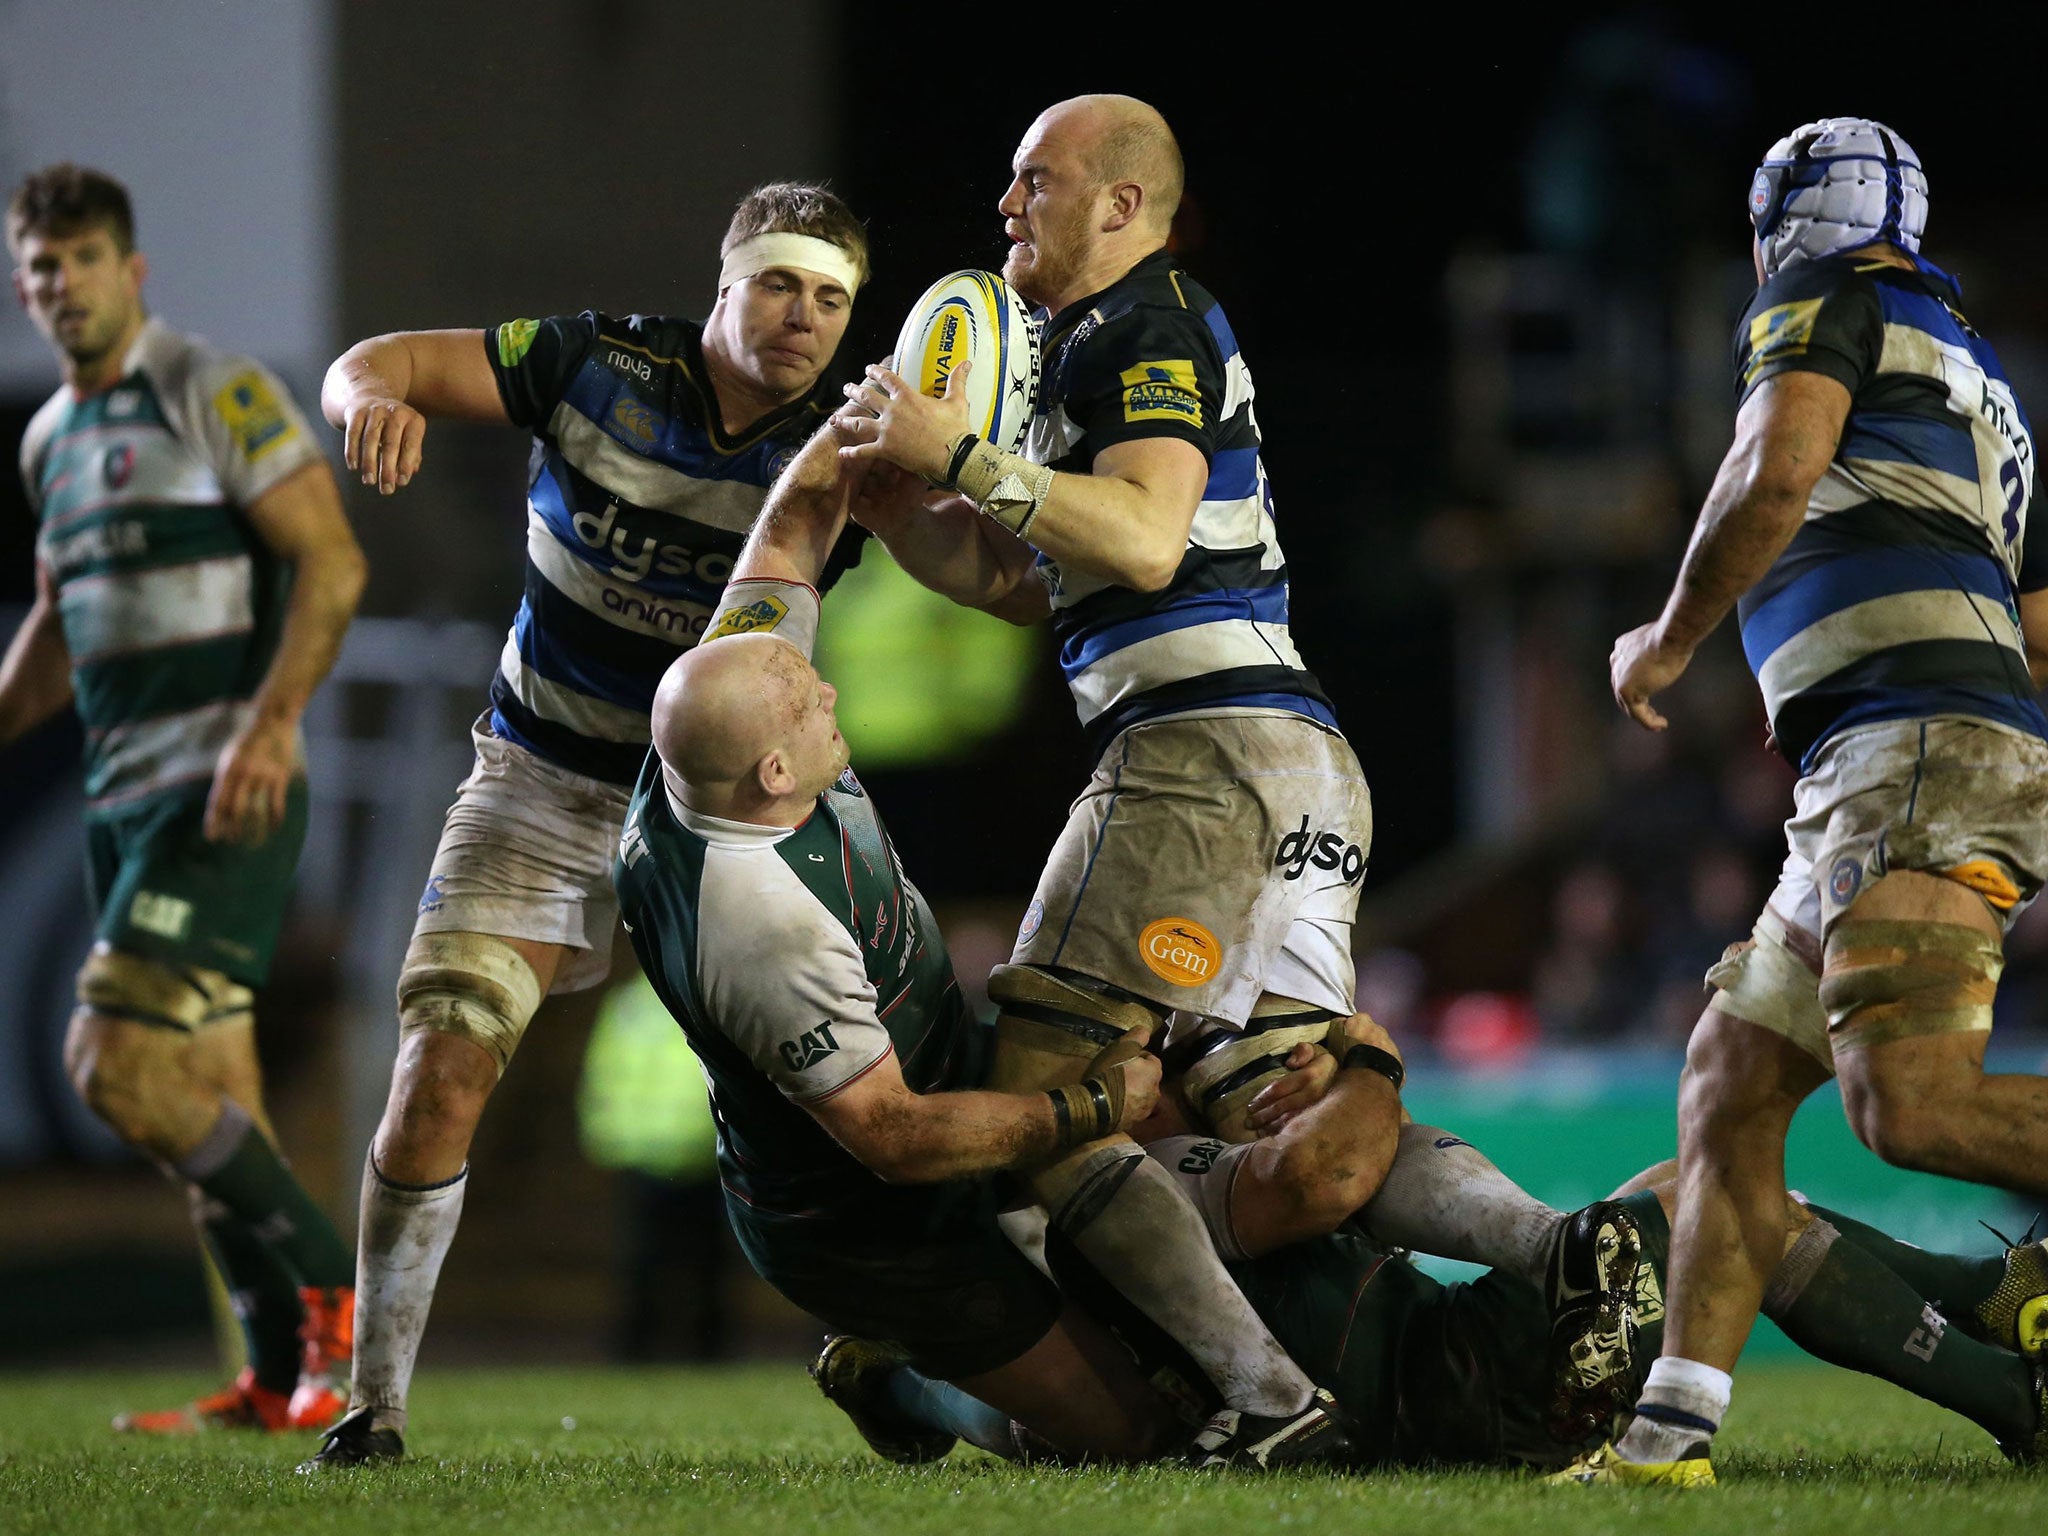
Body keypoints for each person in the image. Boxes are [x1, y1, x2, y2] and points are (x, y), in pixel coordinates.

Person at [833, 92, 1635, 1448]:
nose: (1005, 204)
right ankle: (1565, 1249)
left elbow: (1142, 542)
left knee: (1047, 1098)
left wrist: (960, 453)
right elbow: (1044, 584)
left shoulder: (1131, 325)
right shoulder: (1107, 344)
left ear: (1121, 206)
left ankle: (1265, 1399)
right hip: (1294, 759)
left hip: (1197, 760)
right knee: (1290, 1088)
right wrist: (909, 508)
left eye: (1036, 179)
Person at [302, 183, 872, 1468]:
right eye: (780, 284)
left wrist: (978, 484)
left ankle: (923, 1357)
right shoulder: (592, 362)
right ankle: (373, 1410)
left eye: (831, 299)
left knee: (863, 1108)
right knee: (436, 1075)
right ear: (723, 283)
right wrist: (369, 406)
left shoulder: (852, 443)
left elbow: (980, 575)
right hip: (543, 783)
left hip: (728, 811)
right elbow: (370, 362)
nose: (801, 318)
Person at [1565, 117, 2048, 1485]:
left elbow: (1774, 470)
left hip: (1903, 747)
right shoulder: (1983, 381)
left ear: (1782, 223)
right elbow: (2038, 617)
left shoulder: (1821, 298)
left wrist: (1665, 638)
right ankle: (1669, 1439)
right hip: (1894, 754)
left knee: (1909, 1105)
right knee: (1728, 1087)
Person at [0, 163, 367, 1434]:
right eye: (41, 266)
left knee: (107, 1065)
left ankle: (338, 1308)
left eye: (84, 259)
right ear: (22, 281)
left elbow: (332, 559)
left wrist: (269, 727)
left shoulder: (211, 389)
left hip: (221, 792)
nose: (62, 285)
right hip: (119, 808)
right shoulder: (50, 440)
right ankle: (280, 1379)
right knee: (215, 1098)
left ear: (129, 269)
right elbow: (59, 624)